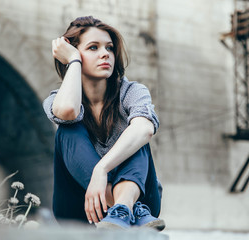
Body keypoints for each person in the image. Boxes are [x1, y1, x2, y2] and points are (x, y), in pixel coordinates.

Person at [43, 16, 165, 230]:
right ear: (74, 53)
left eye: (109, 48)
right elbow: (69, 112)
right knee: (67, 131)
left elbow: (145, 130)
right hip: (83, 209)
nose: (105, 54)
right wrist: (73, 61)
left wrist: (102, 169)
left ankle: (124, 208)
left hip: (143, 206)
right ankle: (124, 207)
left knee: (137, 131)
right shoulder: (57, 99)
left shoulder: (132, 92)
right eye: (93, 48)